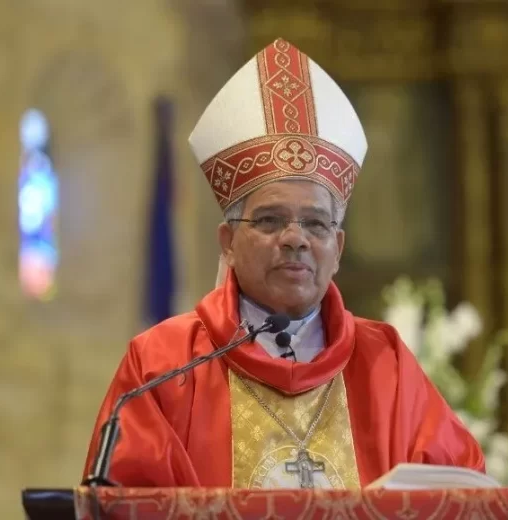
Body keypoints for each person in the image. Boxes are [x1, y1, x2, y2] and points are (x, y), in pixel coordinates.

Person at [82, 37, 485, 489]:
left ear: (338, 248)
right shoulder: (163, 364)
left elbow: (461, 495)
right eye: (270, 220)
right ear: (229, 241)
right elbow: (125, 502)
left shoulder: (385, 364)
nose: (294, 238)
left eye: (315, 224)